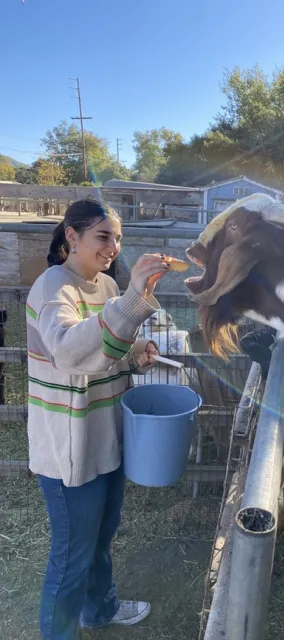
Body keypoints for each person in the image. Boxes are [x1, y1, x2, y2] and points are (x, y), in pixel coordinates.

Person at [26, 198, 172, 639]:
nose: (113, 247)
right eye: (103, 236)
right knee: (72, 556)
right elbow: (71, 352)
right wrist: (133, 298)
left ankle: (100, 610)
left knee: (101, 541)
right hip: (70, 452)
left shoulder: (106, 288)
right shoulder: (54, 288)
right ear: (72, 236)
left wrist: (134, 355)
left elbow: (105, 351)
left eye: (118, 238)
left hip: (105, 441)